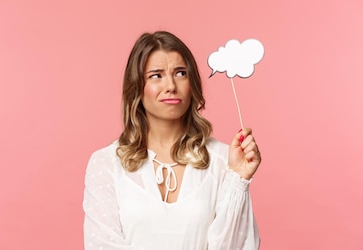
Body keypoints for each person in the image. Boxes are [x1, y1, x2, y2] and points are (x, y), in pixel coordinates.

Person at [83, 31, 262, 249]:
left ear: (192, 82)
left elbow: (236, 246)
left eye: (180, 73)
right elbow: (102, 244)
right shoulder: (106, 163)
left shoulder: (225, 160)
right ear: (137, 87)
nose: (171, 86)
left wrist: (238, 179)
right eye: (156, 75)